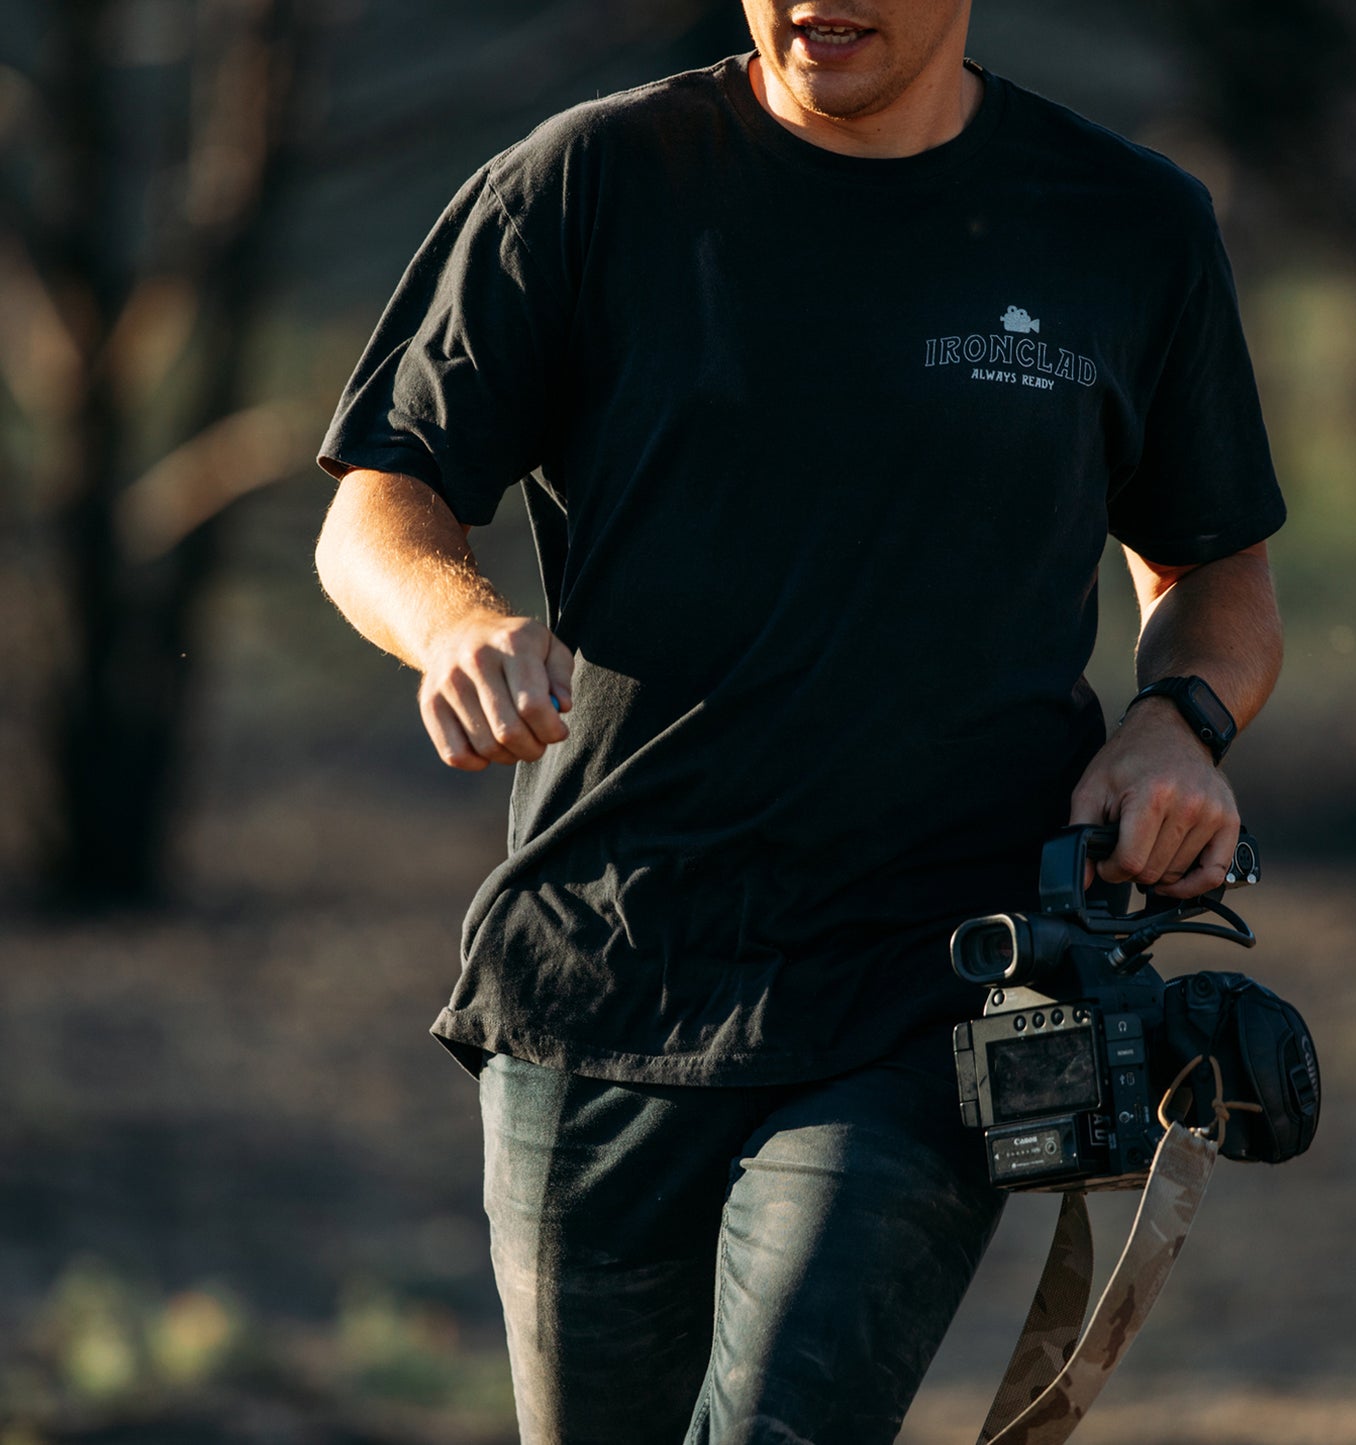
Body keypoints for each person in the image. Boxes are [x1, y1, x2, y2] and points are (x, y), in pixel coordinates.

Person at [313, 3, 1286, 1440]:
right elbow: (375, 504)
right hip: (600, 969)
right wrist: (453, 621)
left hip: (929, 983)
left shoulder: (1123, 222)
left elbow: (1213, 575)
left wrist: (1174, 721)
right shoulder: (587, 183)